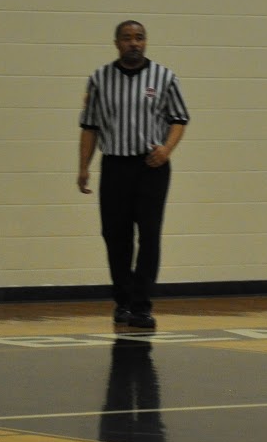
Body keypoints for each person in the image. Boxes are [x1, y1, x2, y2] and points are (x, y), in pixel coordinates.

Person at [78, 21, 190, 331]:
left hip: (151, 167)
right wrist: (83, 167)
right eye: (127, 38)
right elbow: (89, 127)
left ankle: (142, 306)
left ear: (146, 42)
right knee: (115, 237)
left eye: (139, 38)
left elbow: (178, 119)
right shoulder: (100, 79)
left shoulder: (165, 78)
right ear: (116, 43)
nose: (134, 43)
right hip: (114, 165)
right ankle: (122, 301)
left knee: (149, 236)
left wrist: (167, 149)